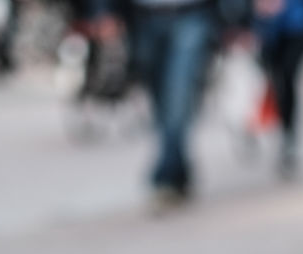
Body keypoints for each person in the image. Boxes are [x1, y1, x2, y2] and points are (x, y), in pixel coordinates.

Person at [93, 0, 248, 208]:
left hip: (193, 15)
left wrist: (237, 17)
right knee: (160, 100)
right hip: (142, 19)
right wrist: (104, 11)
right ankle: (179, 167)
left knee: (179, 94)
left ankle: (165, 177)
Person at [253, 0, 303, 174]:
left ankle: (288, 135)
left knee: (288, 76)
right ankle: (283, 130)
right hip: (268, 27)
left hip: (299, 23)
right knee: (276, 80)